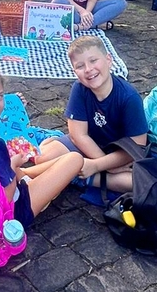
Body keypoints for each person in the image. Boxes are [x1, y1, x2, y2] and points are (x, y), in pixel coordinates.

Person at [0, 63, 83, 226]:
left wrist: (14, 108)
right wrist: (12, 166)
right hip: (8, 211)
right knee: (74, 159)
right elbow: (6, 197)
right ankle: (29, 179)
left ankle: (26, 175)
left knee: (15, 163)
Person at [36, 36, 148, 194]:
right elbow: (78, 135)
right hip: (87, 144)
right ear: (75, 71)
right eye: (80, 66)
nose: (88, 69)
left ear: (109, 60)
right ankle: (76, 167)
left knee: (138, 183)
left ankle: (79, 175)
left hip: (119, 153)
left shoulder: (129, 97)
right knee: (42, 159)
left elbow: (138, 146)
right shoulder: (79, 88)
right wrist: (102, 165)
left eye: (93, 60)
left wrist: (99, 165)